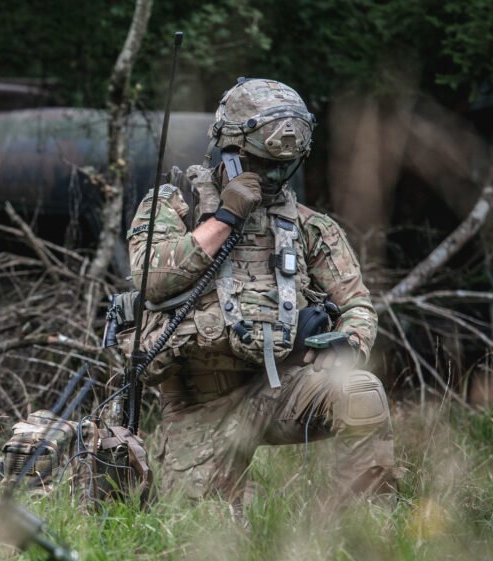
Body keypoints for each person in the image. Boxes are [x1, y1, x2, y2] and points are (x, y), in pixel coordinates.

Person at [126, 77, 400, 507]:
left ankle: (354, 530)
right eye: (262, 163)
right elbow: (152, 276)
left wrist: (350, 344)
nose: (272, 176)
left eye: (283, 166)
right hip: (200, 402)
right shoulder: (173, 206)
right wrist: (225, 218)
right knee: (206, 534)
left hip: (281, 389)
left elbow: (358, 306)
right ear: (230, 150)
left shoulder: (310, 227)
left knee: (361, 392)